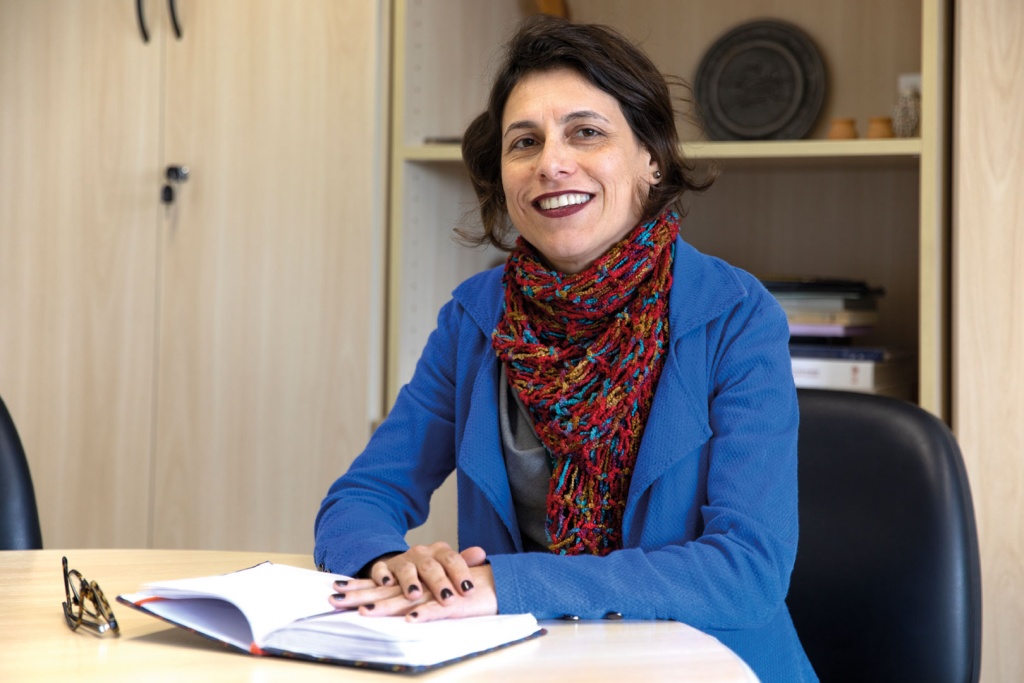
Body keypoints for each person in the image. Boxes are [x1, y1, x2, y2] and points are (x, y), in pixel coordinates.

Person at [315, 14, 817, 683]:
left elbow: (747, 569)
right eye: (524, 142)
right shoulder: (476, 318)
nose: (551, 163)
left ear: (651, 158)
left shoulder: (735, 316)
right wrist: (390, 562)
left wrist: (507, 583)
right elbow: (361, 497)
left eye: (586, 131)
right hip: (525, 668)